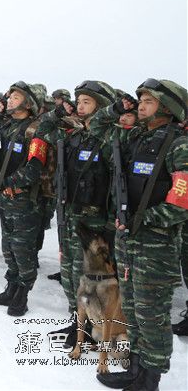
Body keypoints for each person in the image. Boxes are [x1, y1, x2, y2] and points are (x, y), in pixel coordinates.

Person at [92, 78, 188, 391]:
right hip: (129, 240)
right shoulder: (135, 137)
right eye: (141, 101)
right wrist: (116, 108)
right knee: (132, 310)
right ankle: (135, 368)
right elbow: (96, 128)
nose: (141, 106)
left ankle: (150, 379)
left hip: (156, 246)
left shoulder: (179, 145)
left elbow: (182, 201)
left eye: (149, 101)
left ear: (167, 107)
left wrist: (143, 220)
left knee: (151, 315)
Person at [38, 80, 116, 347]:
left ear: (101, 107)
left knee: (92, 277)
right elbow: (42, 131)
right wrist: (58, 112)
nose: (80, 106)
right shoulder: (75, 136)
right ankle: (78, 320)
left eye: (86, 102)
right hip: (72, 215)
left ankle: (95, 329)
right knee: (71, 273)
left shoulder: (109, 140)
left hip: (96, 221)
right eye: (78, 101)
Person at [0, 81, 43, 316]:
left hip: (23, 200)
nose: (9, 100)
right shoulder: (6, 126)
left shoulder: (35, 131)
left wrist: (7, 183)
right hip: (5, 197)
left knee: (22, 248)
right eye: (10, 97)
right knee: (8, 246)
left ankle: (22, 293)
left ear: (28, 104)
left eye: (15, 97)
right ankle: (11, 287)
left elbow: (34, 168)